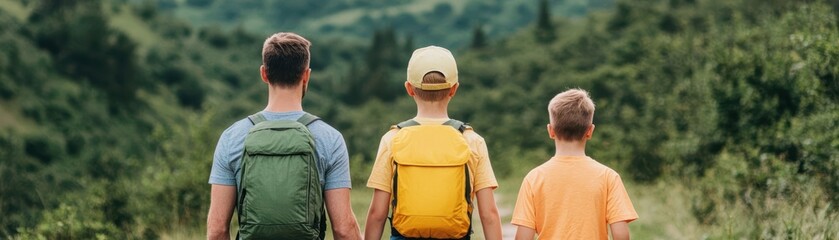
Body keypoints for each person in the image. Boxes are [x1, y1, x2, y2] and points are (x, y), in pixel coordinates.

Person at [206, 32, 361, 240]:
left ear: (264, 74)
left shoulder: (232, 137)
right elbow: (344, 229)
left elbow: (217, 229)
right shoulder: (330, 138)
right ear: (306, 75)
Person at [364, 46, 503, 240]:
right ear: (454, 89)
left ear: (409, 88)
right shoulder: (472, 140)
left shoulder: (392, 139)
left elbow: (377, 214)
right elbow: (489, 214)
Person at [512, 89, 638, 240]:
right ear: (590, 131)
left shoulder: (534, 178)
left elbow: (523, 237)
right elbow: (621, 234)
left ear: (550, 131)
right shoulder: (608, 177)